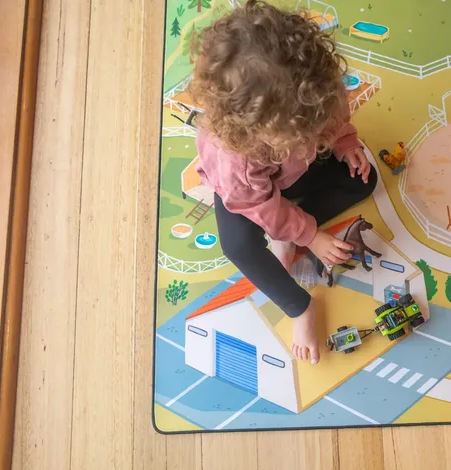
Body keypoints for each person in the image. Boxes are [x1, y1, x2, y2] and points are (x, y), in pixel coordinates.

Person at [189, 0, 376, 365]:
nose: (317, 125)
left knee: (364, 180)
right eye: (299, 130)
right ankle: (299, 307)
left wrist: (344, 140)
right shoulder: (233, 160)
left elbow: (335, 115)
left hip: (295, 171)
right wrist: (310, 235)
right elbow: (260, 205)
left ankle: (288, 230)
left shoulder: (314, 87)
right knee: (239, 247)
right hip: (253, 198)